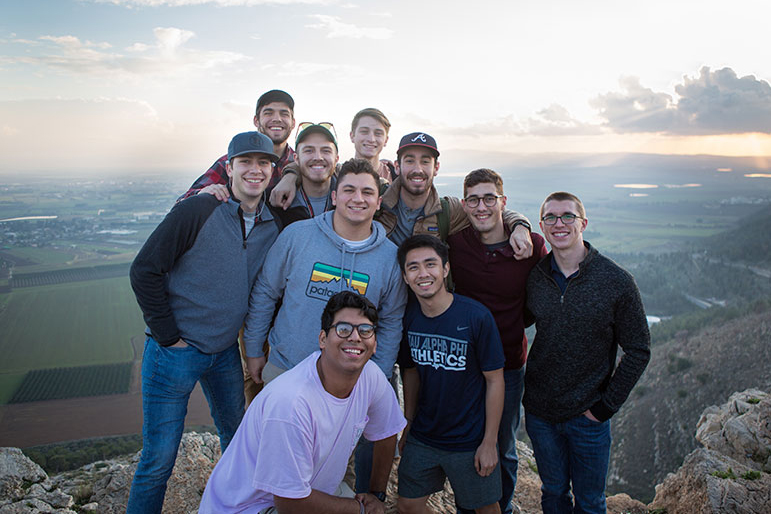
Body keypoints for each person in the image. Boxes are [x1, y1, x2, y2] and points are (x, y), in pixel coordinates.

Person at [127, 131, 293, 513]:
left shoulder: (274, 224)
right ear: (229, 168)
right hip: (174, 355)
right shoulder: (198, 210)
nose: (255, 170)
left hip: (223, 355)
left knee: (239, 442)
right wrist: (170, 338)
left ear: (272, 170)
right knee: (158, 461)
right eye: (245, 162)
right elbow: (144, 270)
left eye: (263, 163)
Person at [199, 292, 406, 514]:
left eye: (365, 330)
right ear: (323, 339)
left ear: (374, 344)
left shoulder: (371, 377)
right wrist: (361, 509)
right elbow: (289, 504)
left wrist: (377, 495)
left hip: (309, 491)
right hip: (252, 507)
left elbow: (386, 432)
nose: (355, 337)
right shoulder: (291, 403)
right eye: (343, 329)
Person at [524, 191, 651, 514]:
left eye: (568, 216)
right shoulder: (535, 278)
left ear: (583, 223)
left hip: (588, 416)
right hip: (541, 413)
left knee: (591, 502)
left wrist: (605, 406)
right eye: (550, 218)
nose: (559, 223)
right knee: (553, 493)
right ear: (542, 225)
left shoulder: (616, 281)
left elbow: (638, 349)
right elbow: (515, 320)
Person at [243, 158, 407, 387]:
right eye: (348, 190)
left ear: (378, 202)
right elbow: (265, 292)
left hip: (351, 382)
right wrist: (253, 349)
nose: (358, 199)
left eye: (367, 192)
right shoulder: (296, 236)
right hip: (286, 370)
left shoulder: (390, 258)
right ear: (334, 197)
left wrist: (378, 375)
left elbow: (390, 322)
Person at [447, 168, 548, 514]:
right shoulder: (456, 244)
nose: (481, 207)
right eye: (473, 199)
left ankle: (499, 507)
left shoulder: (531, 247)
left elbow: (546, 297)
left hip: (508, 364)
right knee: (466, 442)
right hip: (465, 364)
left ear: (503, 202)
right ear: (464, 204)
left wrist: (521, 226)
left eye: (489, 198)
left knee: (503, 444)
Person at [396, 235, 505, 514]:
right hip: (424, 435)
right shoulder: (410, 318)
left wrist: (490, 442)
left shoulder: (475, 317)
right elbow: (410, 372)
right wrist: (408, 423)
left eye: (431, 264)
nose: (423, 274)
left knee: (486, 509)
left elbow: (495, 380)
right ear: (405, 277)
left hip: (469, 440)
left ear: (445, 269)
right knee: (408, 505)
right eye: (413, 267)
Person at [178, 89, 297, 201]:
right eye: (268, 113)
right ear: (256, 121)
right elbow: (183, 203)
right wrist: (203, 193)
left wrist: (293, 174)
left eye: (284, 114)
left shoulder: (300, 163)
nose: (277, 119)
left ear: (293, 123)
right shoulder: (233, 162)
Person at [349, 108, 396, 182]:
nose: (371, 139)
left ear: (386, 140)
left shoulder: (396, 177)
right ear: (352, 136)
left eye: (378, 133)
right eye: (364, 131)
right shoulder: (337, 175)